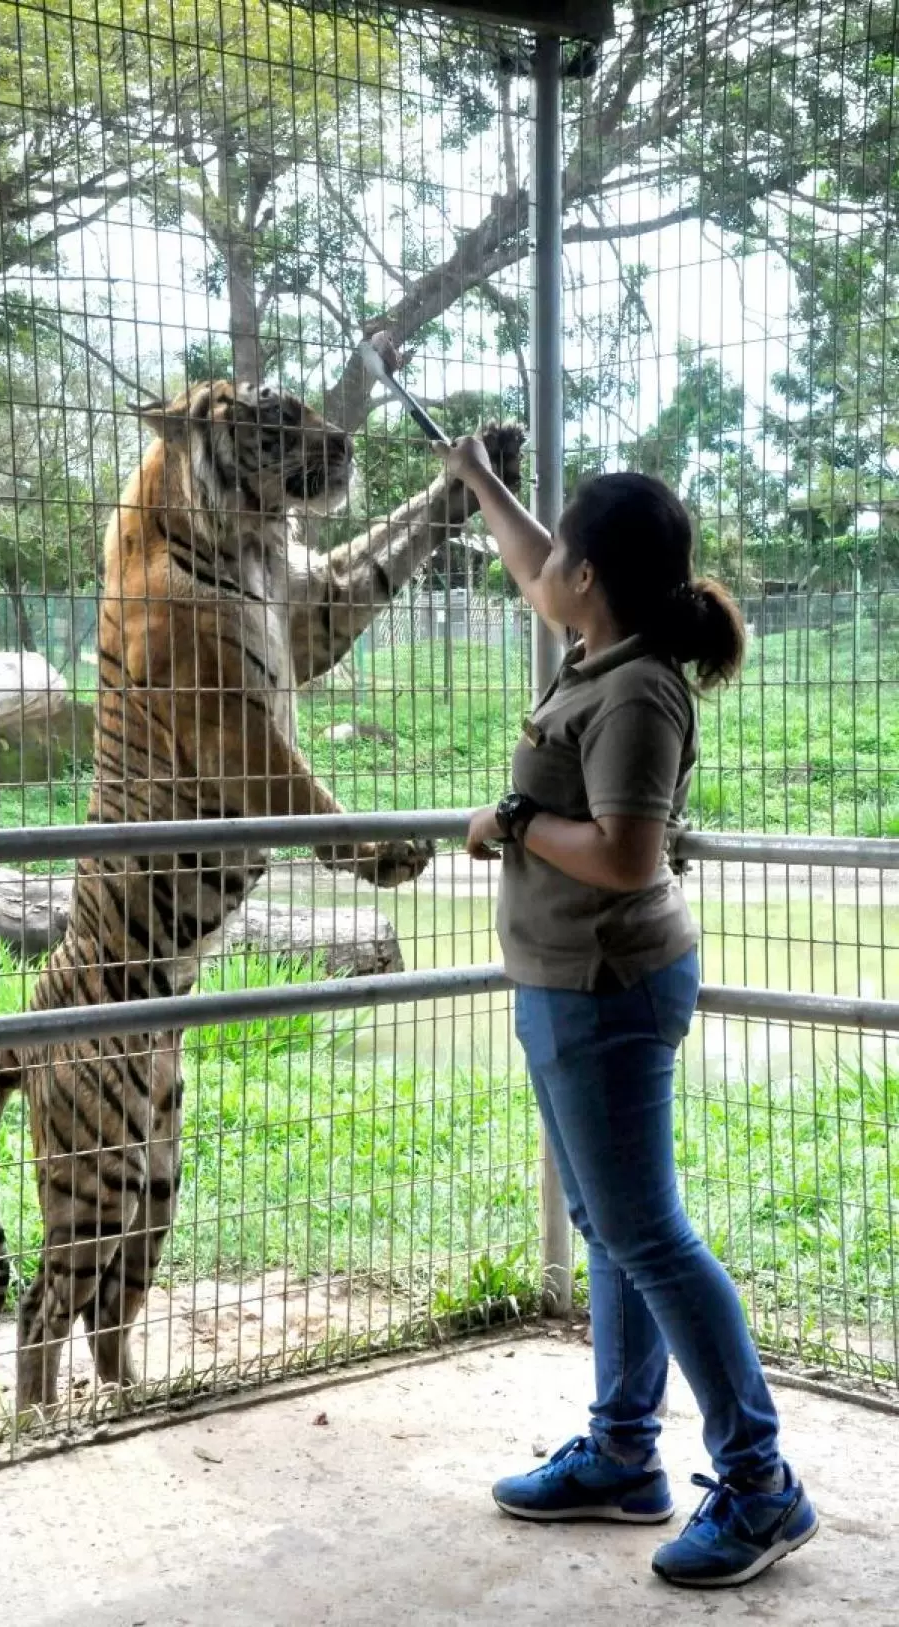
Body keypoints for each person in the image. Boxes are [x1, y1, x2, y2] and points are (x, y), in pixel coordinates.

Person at [432, 436, 818, 1589]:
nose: (540, 562)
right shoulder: (597, 652)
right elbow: (528, 563)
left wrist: (510, 820)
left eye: (560, 549)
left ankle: (761, 1484)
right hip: (564, 988)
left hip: (607, 989)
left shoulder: (638, 689)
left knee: (648, 1235)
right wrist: (479, 485)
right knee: (614, 1232)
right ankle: (621, 1455)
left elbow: (628, 856)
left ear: (589, 576)